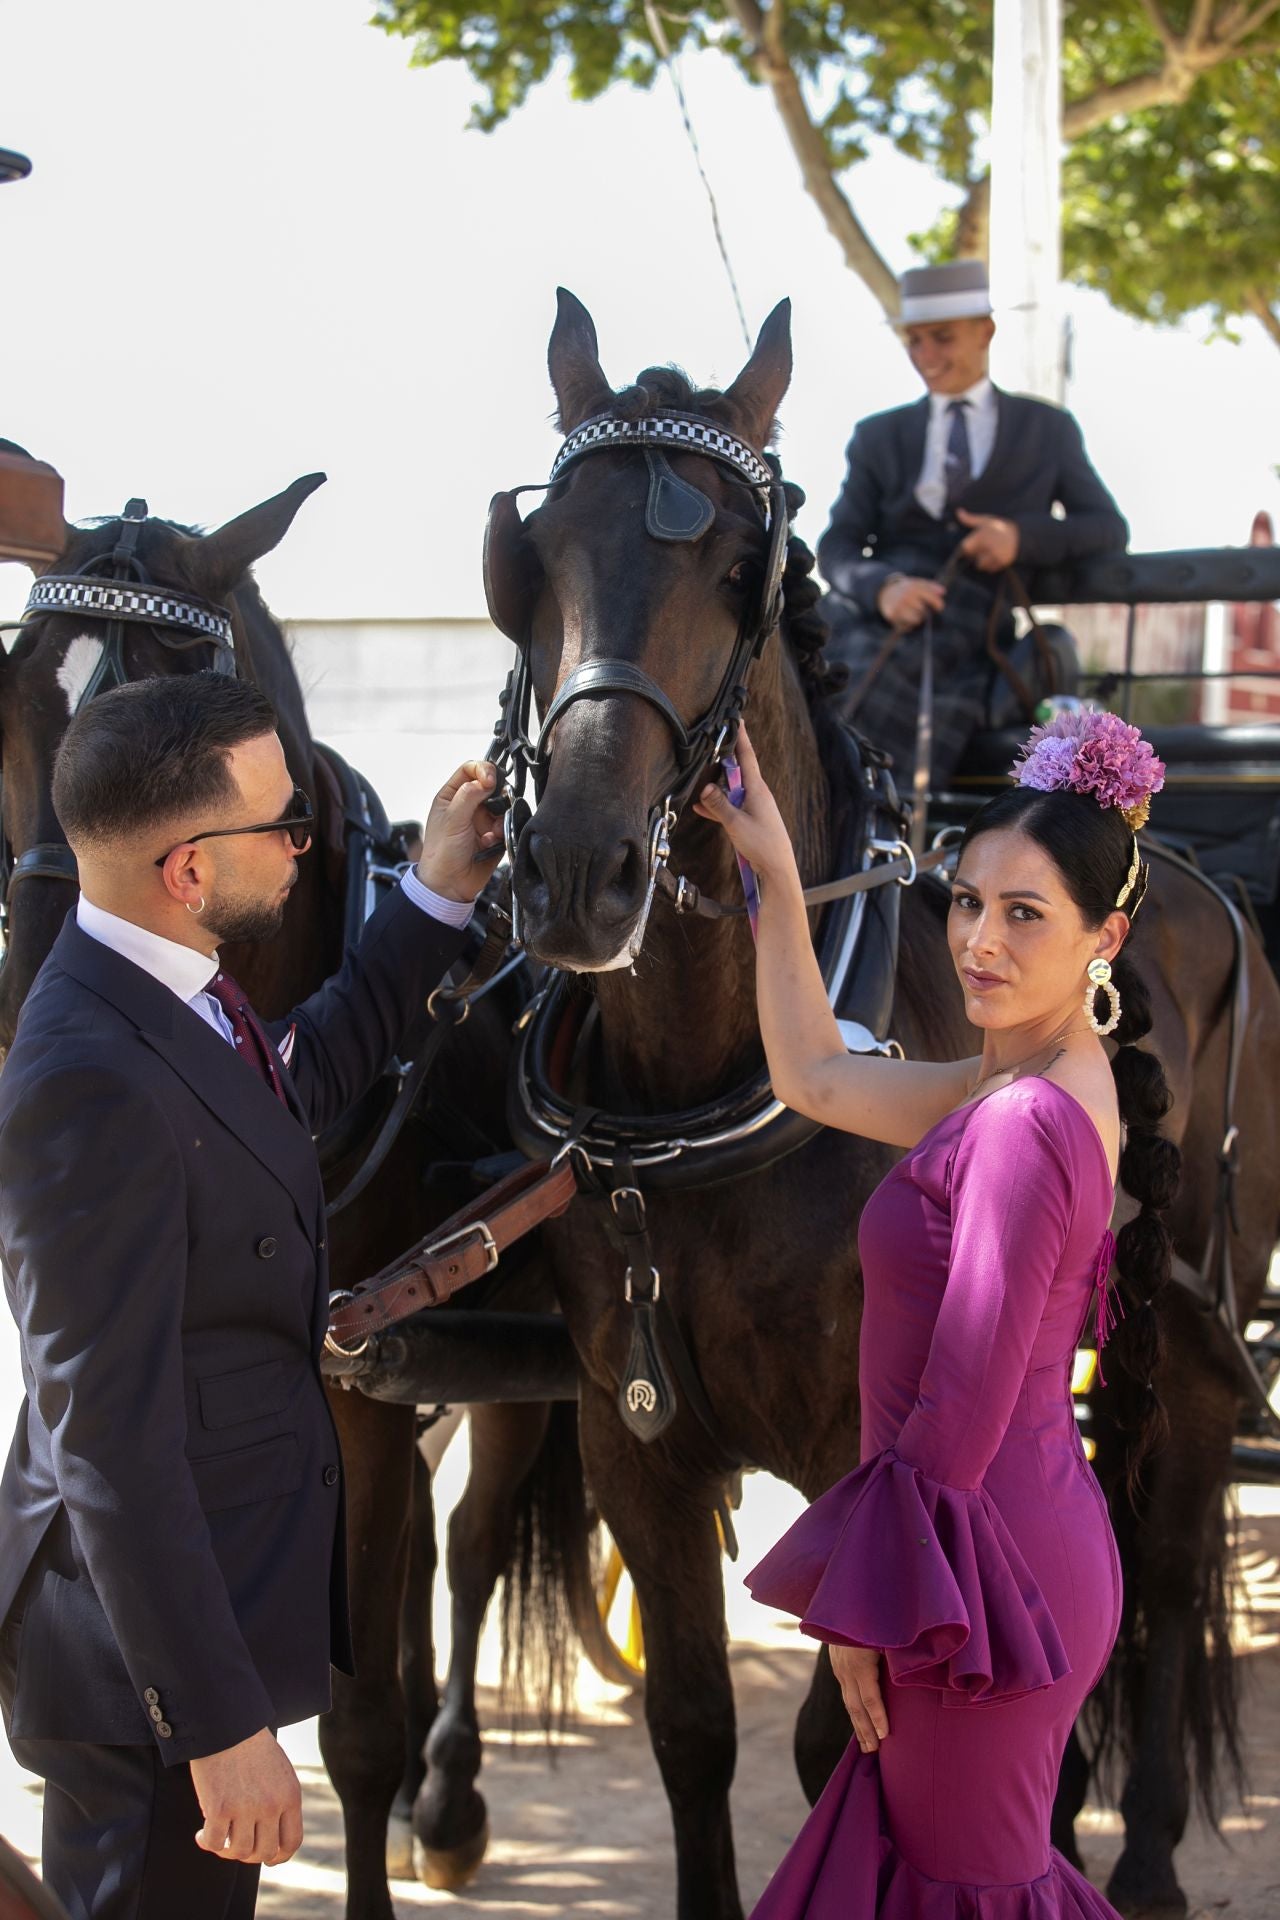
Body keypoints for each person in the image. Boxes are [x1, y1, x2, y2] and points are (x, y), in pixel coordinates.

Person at [0, 671, 503, 1920]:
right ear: (186, 869)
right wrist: (215, 1728)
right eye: (281, 824)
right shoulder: (87, 1079)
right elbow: (105, 1438)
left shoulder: (165, 988)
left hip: (189, 1618)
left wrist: (435, 894)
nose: (306, 843)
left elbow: (302, 1075)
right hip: (142, 1675)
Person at [694, 707, 1176, 1917]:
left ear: (1102, 938)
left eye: (1024, 916)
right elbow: (812, 1075)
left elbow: (956, 1405)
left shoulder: (1021, 1124)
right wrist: (776, 877)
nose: (978, 941)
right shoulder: (1018, 1081)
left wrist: (866, 1609)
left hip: (972, 1587)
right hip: (989, 1563)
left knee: (965, 1895)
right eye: (965, 902)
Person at [818, 260, 1128, 790]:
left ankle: (873, 826)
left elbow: (1107, 528)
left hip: (972, 630)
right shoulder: (877, 436)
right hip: (867, 620)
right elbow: (838, 545)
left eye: (942, 338)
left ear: (986, 330)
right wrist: (884, 589)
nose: (926, 357)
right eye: (914, 341)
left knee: (891, 704)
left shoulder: (1046, 429)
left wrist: (1019, 539)